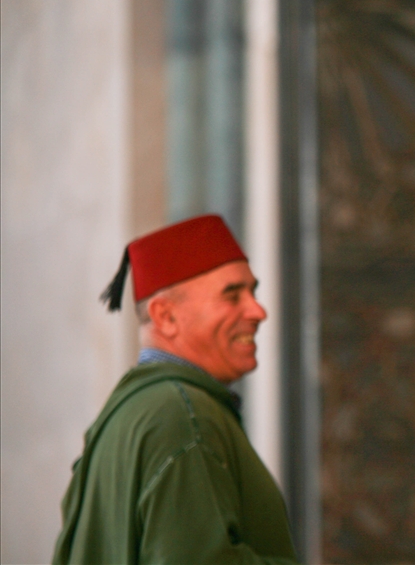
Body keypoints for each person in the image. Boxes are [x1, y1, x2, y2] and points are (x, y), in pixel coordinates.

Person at [53, 215, 298, 564]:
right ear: (166, 317)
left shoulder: (135, 411)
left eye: (252, 292)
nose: (258, 311)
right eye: (232, 296)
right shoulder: (181, 415)